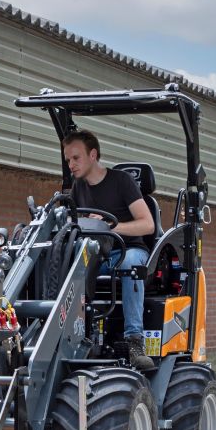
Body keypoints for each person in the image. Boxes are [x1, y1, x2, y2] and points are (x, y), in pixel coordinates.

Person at [62, 129, 155, 371]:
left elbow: (148, 224)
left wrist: (111, 226)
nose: (71, 165)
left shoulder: (121, 182)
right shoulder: (78, 187)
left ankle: (135, 342)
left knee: (130, 264)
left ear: (93, 155)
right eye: (68, 160)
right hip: (99, 254)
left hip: (129, 250)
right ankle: (82, 333)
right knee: (69, 264)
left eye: (76, 158)